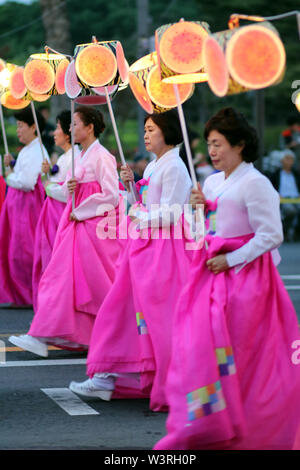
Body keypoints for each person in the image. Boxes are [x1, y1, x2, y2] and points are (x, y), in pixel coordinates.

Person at [154, 107, 300, 450]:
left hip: (249, 282)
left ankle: (249, 427)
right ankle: (212, 421)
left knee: (242, 355)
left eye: (218, 144)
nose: (213, 151)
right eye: (209, 144)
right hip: (212, 277)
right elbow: (204, 230)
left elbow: (271, 235)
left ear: (239, 145)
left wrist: (232, 259)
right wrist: (198, 209)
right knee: (204, 350)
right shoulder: (211, 182)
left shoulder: (256, 182)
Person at [69, 109, 193, 410]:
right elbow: (143, 204)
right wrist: (131, 186)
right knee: (124, 308)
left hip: (165, 250)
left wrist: (141, 214)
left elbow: (173, 213)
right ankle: (107, 373)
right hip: (146, 245)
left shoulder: (174, 167)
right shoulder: (154, 166)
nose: (146, 134)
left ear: (168, 132)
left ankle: (116, 374)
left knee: (146, 315)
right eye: (146, 129)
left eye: (152, 129)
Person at [9, 106, 122, 356]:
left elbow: (112, 195)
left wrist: (80, 209)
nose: (70, 128)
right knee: (63, 280)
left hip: (91, 229)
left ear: (90, 127)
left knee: (80, 283)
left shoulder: (101, 156)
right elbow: (69, 189)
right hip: (76, 225)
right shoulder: (80, 156)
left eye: (75, 123)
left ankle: (53, 336)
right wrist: (67, 188)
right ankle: (44, 335)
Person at [32, 110, 80, 311]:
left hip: (60, 214)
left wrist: (47, 184)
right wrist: (47, 177)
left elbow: (64, 193)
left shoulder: (74, 158)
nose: (54, 133)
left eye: (58, 128)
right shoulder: (64, 158)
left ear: (68, 133)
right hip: (53, 215)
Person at [0, 107, 49, 306]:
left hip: (26, 210)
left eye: (21, 126)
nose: (18, 130)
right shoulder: (28, 150)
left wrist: (9, 175)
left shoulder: (37, 151)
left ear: (34, 127)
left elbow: (27, 182)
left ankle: (28, 295)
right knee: (14, 250)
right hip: (18, 208)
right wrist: (10, 167)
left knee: (23, 251)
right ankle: (21, 295)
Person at [269, 149, 300, 241]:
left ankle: (297, 233)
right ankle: (285, 231)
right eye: (287, 159)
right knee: (290, 211)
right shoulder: (276, 174)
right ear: (282, 160)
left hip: (296, 198)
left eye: (291, 159)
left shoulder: (296, 174)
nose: (290, 161)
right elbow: (271, 187)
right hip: (283, 199)